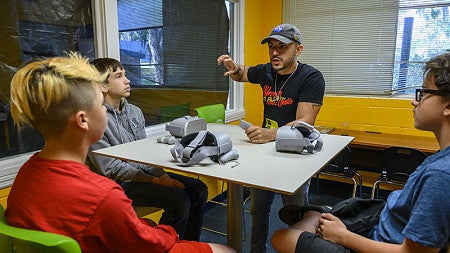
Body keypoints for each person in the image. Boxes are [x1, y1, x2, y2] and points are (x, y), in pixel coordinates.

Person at [5, 53, 235, 253]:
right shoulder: (105, 195)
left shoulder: (26, 174)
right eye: (99, 105)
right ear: (83, 120)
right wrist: (163, 231)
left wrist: (138, 224)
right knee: (227, 250)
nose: (105, 112)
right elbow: (151, 245)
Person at [270, 52, 450, 253]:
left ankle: (313, 216)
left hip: (384, 240)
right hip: (382, 224)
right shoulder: (441, 160)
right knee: (322, 216)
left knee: (281, 237)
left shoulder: (441, 175)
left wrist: (343, 236)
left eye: (423, 94)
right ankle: (315, 215)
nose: (415, 102)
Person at [217, 23, 325, 252]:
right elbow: (243, 73)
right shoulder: (267, 71)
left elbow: (304, 121)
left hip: (295, 156)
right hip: (265, 154)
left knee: (295, 217)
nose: (275, 52)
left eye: (283, 47)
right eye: (272, 47)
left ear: (298, 49)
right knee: (258, 212)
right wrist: (234, 67)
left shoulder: (311, 77)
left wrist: (269, 135)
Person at [87, 58, 208, 241]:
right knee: (179, 199)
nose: (127, 81)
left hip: (142, 174)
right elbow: (111, 168)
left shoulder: (134, 111)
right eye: (119, 76)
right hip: (116, 184)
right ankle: (162, 245)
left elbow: (143, 153)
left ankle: (189, 245)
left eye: (125, 75)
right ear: (103, 86)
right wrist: (154, 180)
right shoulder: (95, 117)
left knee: (199, 189)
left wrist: (161, 175)